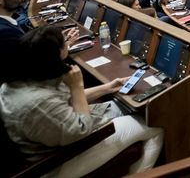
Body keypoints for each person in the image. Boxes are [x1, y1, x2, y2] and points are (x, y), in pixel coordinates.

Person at [0, 26, 164, 175]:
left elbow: (63, 100)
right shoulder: (38, 102)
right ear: (54, 55)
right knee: (154, 125)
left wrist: (107, 88)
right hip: (60, 160)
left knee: (124, 108)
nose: (68, 46)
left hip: (56, 137)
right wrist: (77, 85)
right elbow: (81, 130)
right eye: (65, 44)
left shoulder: (18, 80)